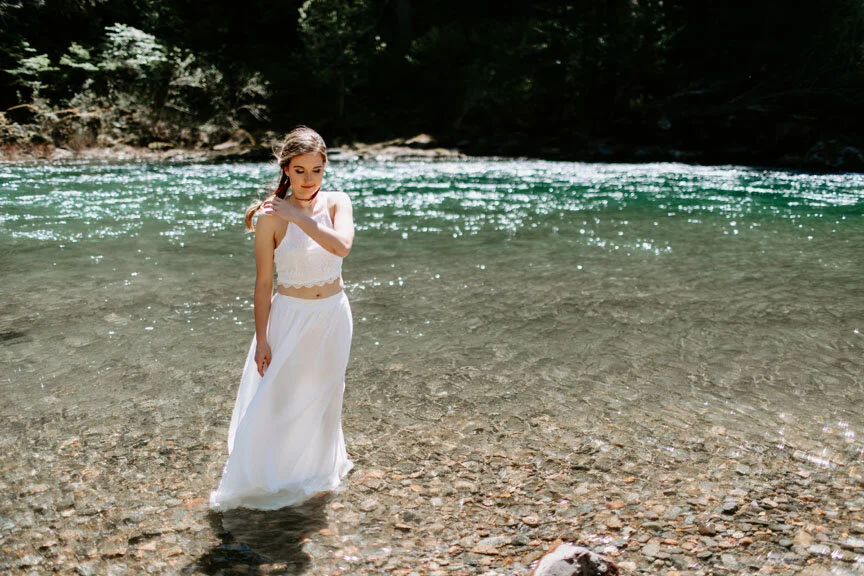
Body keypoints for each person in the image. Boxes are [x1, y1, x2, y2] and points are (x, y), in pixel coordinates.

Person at [209, 126, 355, 511]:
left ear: (325, 169)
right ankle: (273, 474)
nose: (309, 180)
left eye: (317, 170)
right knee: (281, 398)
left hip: (333, 314)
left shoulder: (338, 203)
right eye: (300, 170)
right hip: (290, 317)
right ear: (286, 169)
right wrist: (262, 339)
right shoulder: (269, 218)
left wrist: (299, 214)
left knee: (326, 393)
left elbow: (342, 246)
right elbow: (261, 283)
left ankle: (319, 474)